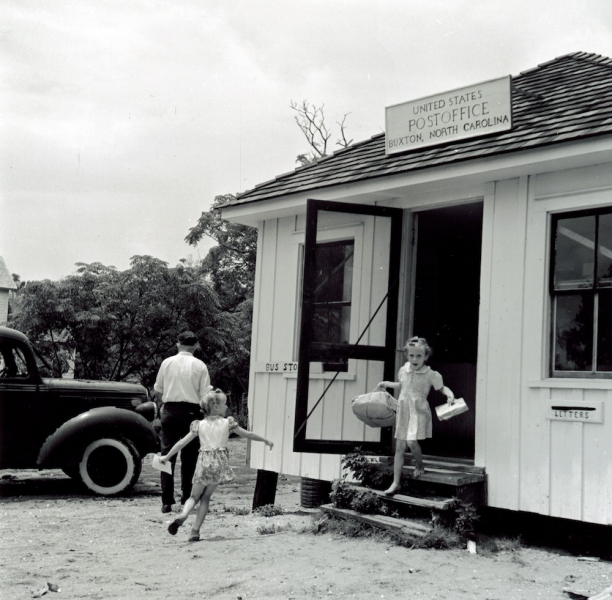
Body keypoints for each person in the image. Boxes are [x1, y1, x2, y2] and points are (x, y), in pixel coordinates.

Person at [159, 388, 273, 541]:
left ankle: (184, 514)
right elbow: (249, 434)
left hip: (203, 464)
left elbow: (181, 443)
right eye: (225, 404)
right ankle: (195, 531)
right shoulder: (228, 423)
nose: (227, 407)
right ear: (215, 406)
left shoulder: (198, 425)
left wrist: (166, 456)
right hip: (219, 465)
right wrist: (265, 440)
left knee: (193, 496)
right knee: (205, 498)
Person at [376, 336, 455, 496]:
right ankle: (396, 482)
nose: (415, 359)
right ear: (407, 355)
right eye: (411, 355)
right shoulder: (404, 370)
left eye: (419, 356)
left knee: (411, 441)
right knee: (399, 446)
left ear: (426, 356)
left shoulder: (430, 374)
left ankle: (419, 465)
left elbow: (442, 388)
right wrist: (387, 384)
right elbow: (402, 385)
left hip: (418, 410)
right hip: (404, 408)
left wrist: (450, 395)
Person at [154, 331, 213, 513]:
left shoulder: (167, 362)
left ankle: (166, 501)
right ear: (196, 346)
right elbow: (205, 395)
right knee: (189, 458)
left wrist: (164, 407)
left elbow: (158, 390)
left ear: (178, 344)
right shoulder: (200, 365)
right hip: (191, 412)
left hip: (170, 410)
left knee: (167, 455)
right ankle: (186, 497)